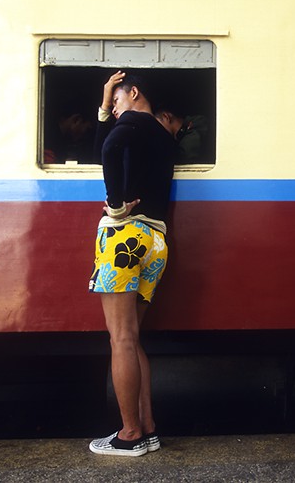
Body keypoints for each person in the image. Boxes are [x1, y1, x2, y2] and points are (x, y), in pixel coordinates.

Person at [87, 71, 176, 456]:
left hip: (125, 237)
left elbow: (104, 151)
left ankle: (129, 436)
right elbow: (104, 144)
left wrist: (117, 204)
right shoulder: (161, 133)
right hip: (156, 240)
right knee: (133, 338)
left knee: (120, 338)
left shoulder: (133, 121)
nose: (115, 109)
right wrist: (106, 103)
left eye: (118, 100)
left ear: (133, 93)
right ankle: (148, 429)